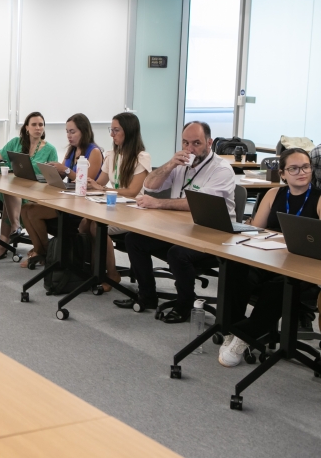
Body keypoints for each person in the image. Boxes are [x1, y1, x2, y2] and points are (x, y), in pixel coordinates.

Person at [114, 121, 236, 323]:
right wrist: (171, 164)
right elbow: (150, 185)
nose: (190, 149)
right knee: (134, 240)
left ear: (209, 142)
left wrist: (158, 203)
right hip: (181, 229)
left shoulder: (221, 170)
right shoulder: (181, 165)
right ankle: (147, 296)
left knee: (177, 253)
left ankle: (185, 304)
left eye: (196, 143)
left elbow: (196, 205)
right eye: (185, 143)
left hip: (213, 235)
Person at [218, 148, 321, 367]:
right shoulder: (274, 194)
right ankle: (230, 329)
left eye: (305, 167)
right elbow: (257, 229)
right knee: (234, 267)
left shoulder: (319, 199)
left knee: (280, 285)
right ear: (283, 173)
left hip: (303, 268)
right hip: (269, 258)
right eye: (293, 168)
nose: (301, 172)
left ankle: (243, 336)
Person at [79, 112, 150, 291]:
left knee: (96, 226)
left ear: (129, 131)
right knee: (84, 224)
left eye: (116, 130)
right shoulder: (111, 154)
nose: (112, 134)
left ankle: (112, 274)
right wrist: (89, 183)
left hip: (134, 211)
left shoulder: (141, 157)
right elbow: (101, 183)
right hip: (114, 207)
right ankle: (93, 269)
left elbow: (133, 192)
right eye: (111, 129)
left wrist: (105, 189)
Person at [17, 113, 96, 267]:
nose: (69, 136)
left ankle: (45, 253)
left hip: (82, 205)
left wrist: (65, 170)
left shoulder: (94, 152)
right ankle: (42, 252)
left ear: (84, 131)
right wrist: (53, 172)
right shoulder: (71, 150)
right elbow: (63, 175)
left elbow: (87, 183)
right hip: (67, 197)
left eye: (72, 132)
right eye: (67, 132)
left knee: (33, 212)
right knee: (25, 208)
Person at [0, 111, 59, 262]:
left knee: (9, 196)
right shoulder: (15, 143)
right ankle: (15, 228)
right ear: (26, 127)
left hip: (38, 191)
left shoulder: (50, 149)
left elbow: (53, 177)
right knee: (10, 191)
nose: (38, 128)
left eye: (41, 125)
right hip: (15, 188)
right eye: (34, 124)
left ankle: (5, 241)